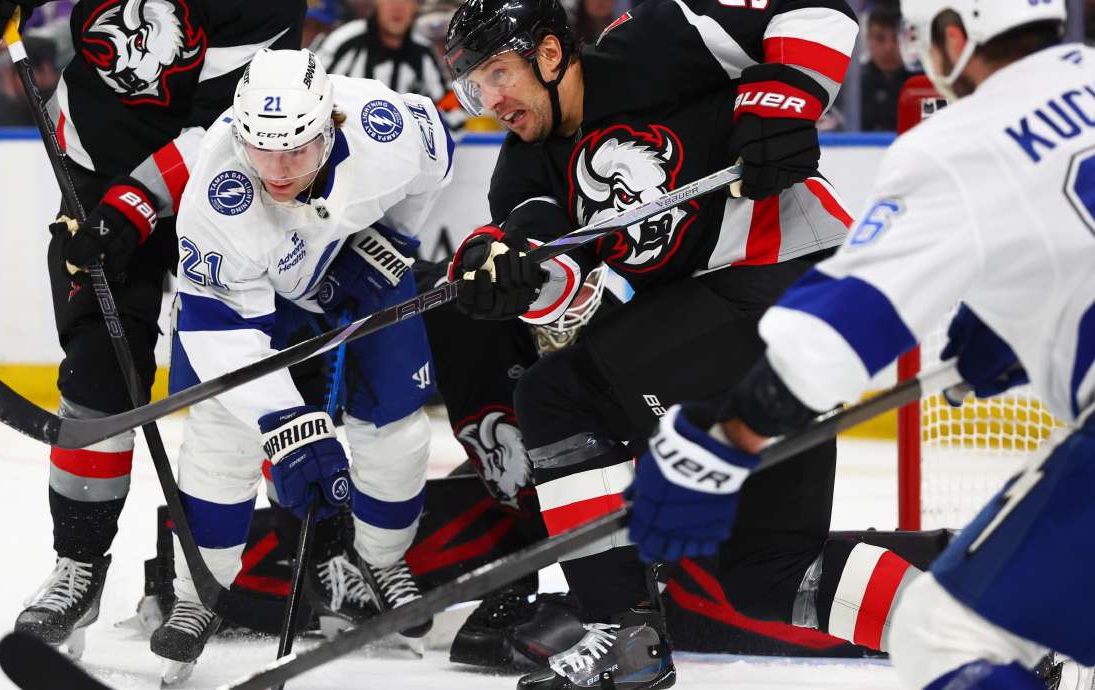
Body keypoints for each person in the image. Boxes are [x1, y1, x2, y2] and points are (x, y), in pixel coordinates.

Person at [442, 0, 936, 688]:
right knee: (771, 572)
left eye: (497, 73)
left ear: (550, 54)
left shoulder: (655, 41)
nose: (489, 100)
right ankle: (983, 631)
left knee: (557, 396)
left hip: (793, 284)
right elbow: (559, 272)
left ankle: (620, 630)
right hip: (726, 328)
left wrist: (788, 91)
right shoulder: (525, 170)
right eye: (473, 87)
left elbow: (818, 9)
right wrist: (505, 272)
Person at [624, 2, 1095, 690]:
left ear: (955, 36)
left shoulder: (966, 138)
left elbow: (838, 331)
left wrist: (720, 443)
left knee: (947, 632)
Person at [0, 0, 304, 658]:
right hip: (97, 169)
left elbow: (230, 126)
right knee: (98, 367)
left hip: (230, 186)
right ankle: (79, 566)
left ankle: (223, 576)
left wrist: (137, 204)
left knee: (234, 383)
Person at [154, 47, 455, 681]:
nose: (279, 170)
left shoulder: (384, 127)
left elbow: (436, 161)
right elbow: (218, 331)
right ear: (239, 134)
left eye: (296, 148)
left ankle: (379, 559)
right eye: (262, 149)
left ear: (332, 125)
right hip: (256, 296)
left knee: (397, 430)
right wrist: (288, 424)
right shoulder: (218, 189)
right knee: (219, 431)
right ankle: (198, 593)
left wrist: (391, 240)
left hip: (354, 267)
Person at [315, 0, 467, 129]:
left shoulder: (423, 53)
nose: (397, 7)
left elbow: (451, 111)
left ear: (417, 5)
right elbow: (310, 94)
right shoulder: (344, 41)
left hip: (401, 157)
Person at [860, 3, 915, 131]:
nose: (888, 48)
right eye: (880, 38)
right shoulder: (852, 89)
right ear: (867, 39)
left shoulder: (924, 85)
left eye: (896, 38)